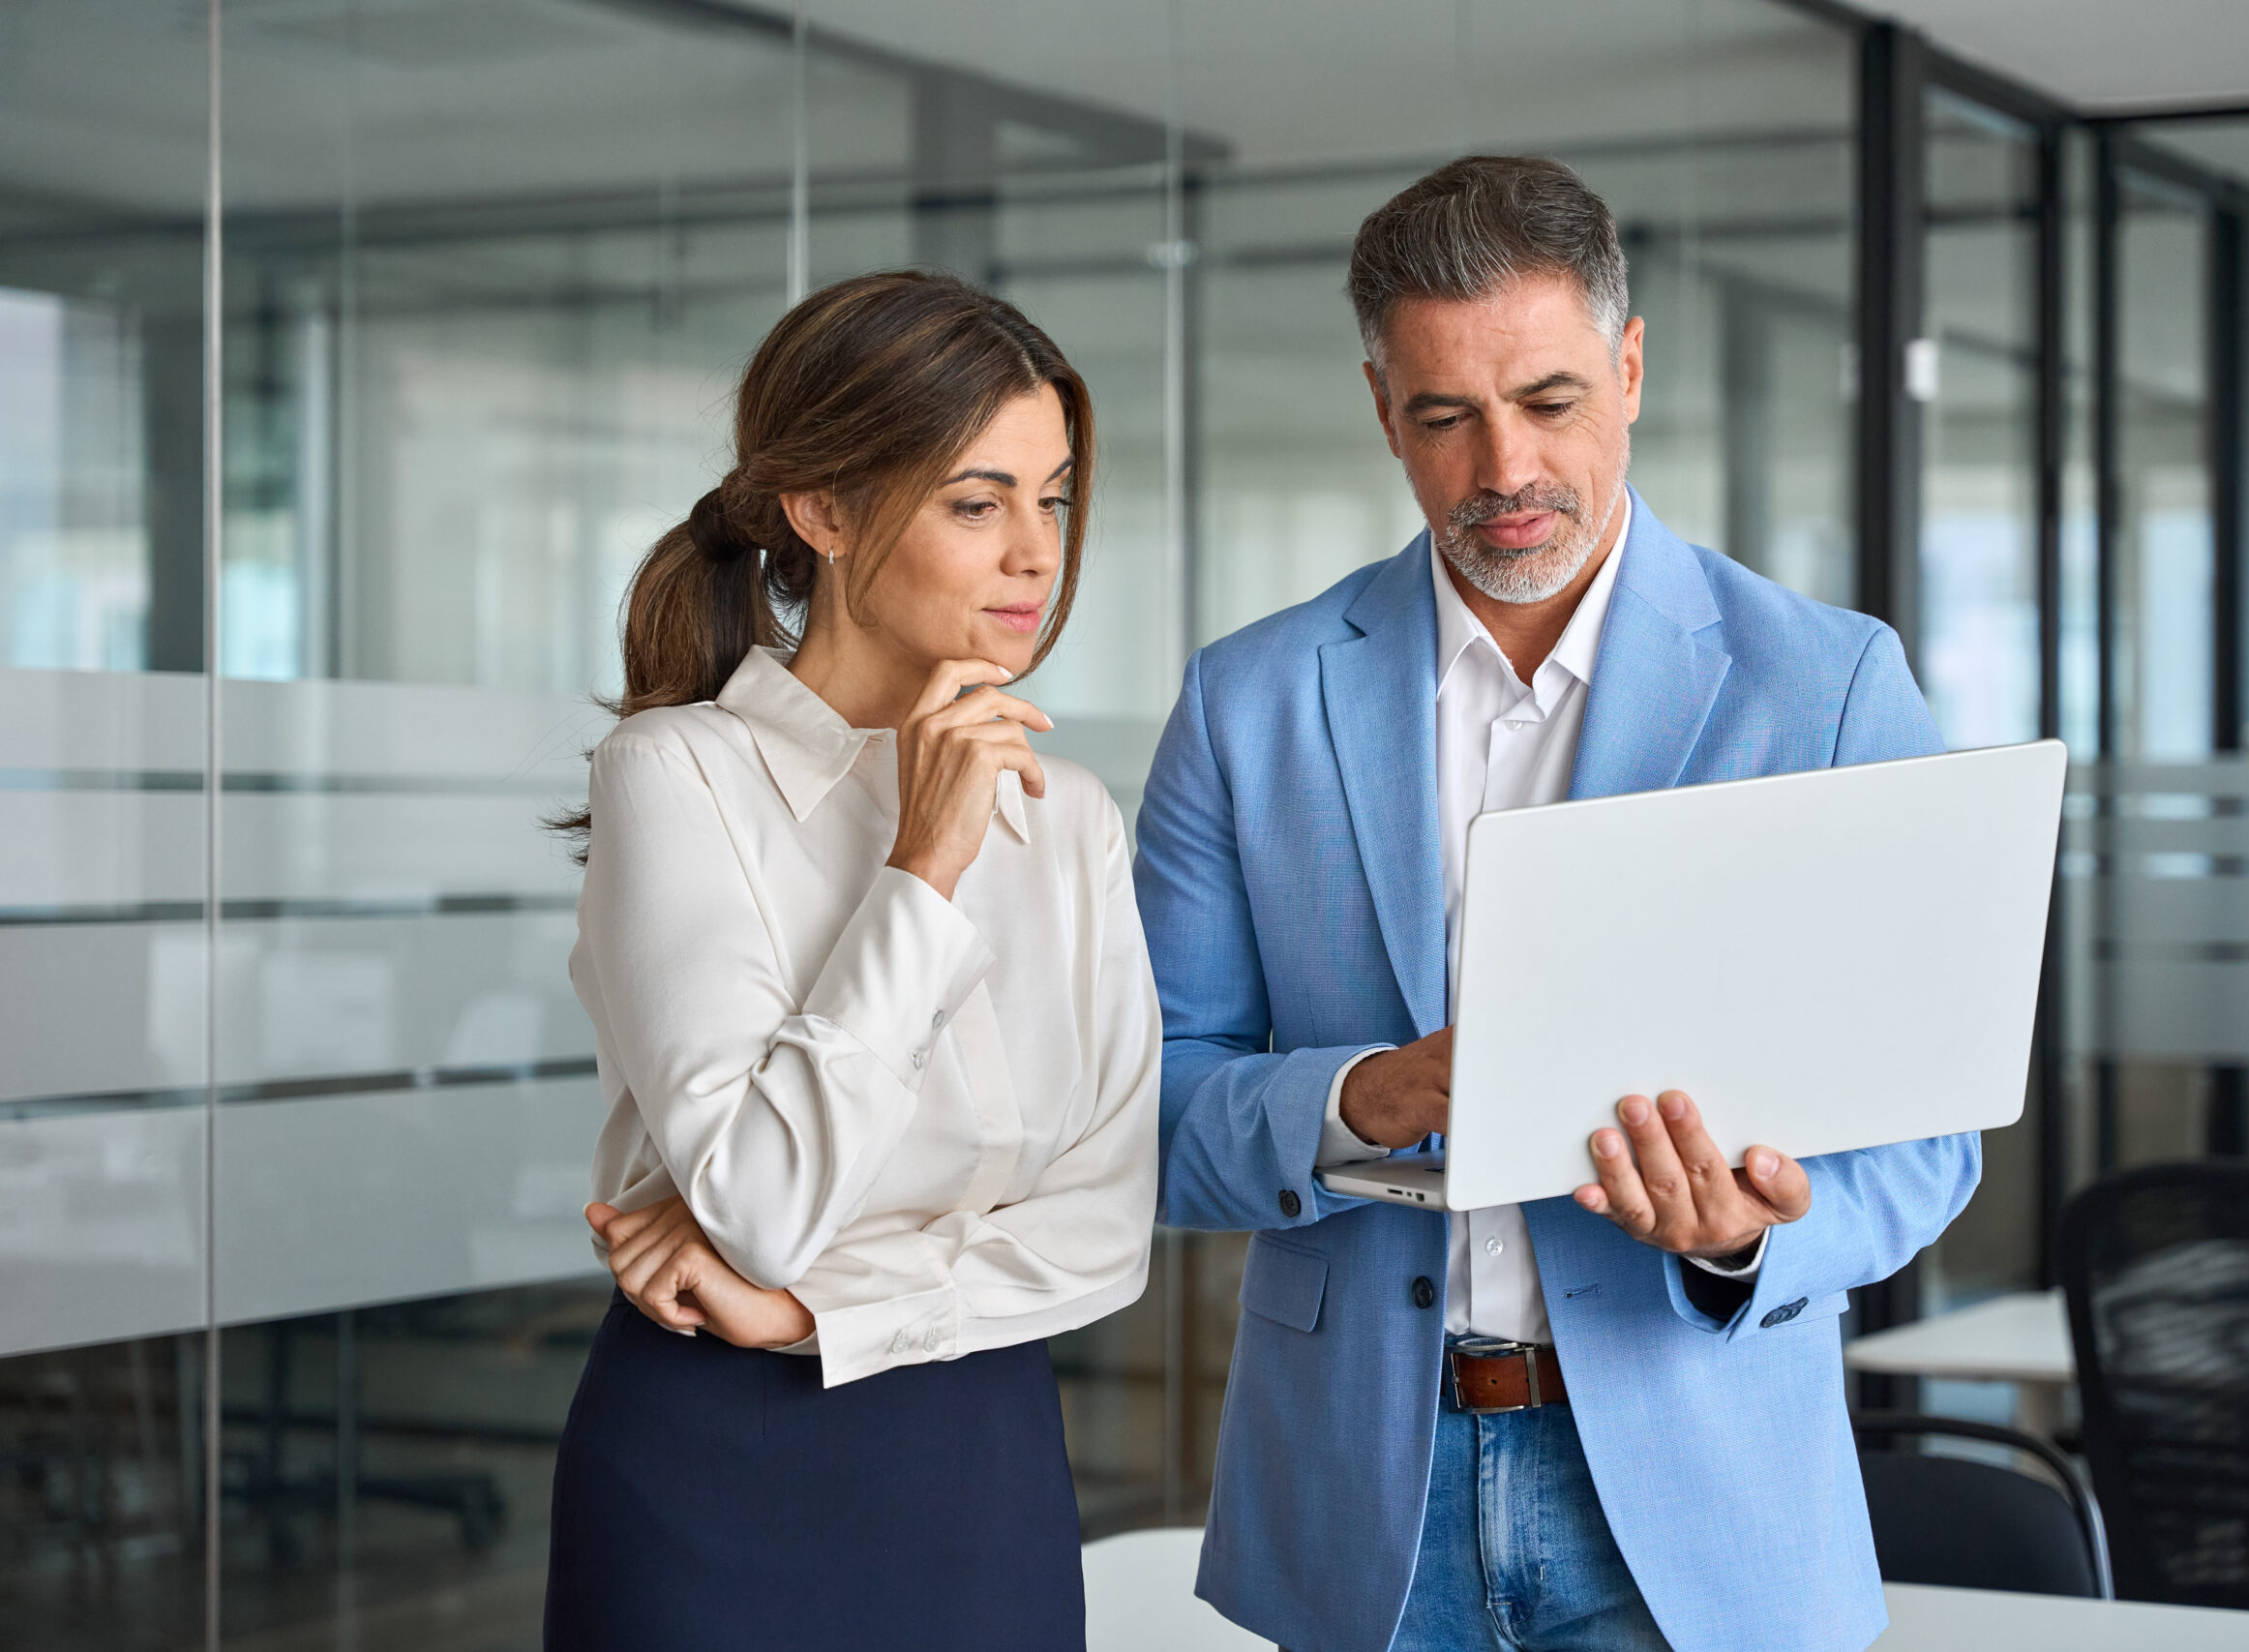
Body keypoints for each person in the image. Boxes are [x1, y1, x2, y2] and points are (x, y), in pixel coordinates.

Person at [1133, 157, 1979, 1652]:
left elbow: (1927, 1141)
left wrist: (1742, 1236)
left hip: (1700, 1502)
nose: (1503, 469)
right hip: (1359, 1508)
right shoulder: (1247, 699)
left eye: (1550, 401)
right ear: (1384, 411)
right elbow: (1144, 1114)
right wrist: (1363, 1097)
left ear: (1632, 368)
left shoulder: (1827, 685)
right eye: (1445, 417)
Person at [542, 271, 1159, 1652]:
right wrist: (923, 868)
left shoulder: (1074, 826)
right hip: (714, 1469)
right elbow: (761, 1198)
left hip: (983, 1456)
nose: (1034, 553)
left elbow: (1107, 1230)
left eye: (1052, 499)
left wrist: (811, 1310)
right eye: (975, 500)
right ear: (820, 512)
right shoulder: (675, 777)